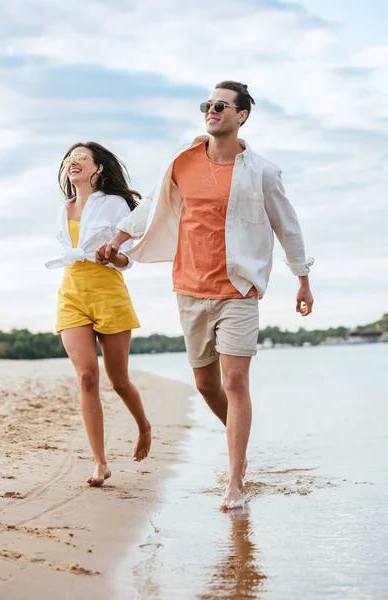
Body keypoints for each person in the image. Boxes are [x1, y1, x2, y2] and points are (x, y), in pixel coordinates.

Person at [96, 81, 314, 508]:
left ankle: (234, 479)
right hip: (190, 288)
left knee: (235, 381)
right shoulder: (183, 161)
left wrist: (302, 278)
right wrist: (118, 240)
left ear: (242, 116)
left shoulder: (263, 172)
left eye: (220, 105)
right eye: (207, 105)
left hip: (238, 288)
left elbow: (287, 225)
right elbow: (152, 206)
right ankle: (241, 444)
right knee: (205, 383)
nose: (211, 111)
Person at [46, 141, 151, 487]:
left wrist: (114, 254)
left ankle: (144, 426)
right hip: (73, 291)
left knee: (118, 380)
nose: (73, 163)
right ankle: (100, 463)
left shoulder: (115, 204)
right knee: (87, 377)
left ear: (98, 168)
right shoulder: (65, 208)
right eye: (69, 159)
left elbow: (128, 258)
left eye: (81, 158)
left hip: (108, 291)